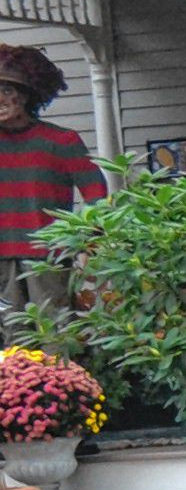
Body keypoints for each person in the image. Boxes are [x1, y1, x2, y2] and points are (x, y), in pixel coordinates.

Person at [0, 45, 107, 310]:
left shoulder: (61, 141)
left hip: (48, 259)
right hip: (1, 261)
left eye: (7, 91)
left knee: (55, 336)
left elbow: (96, 194)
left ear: (25, 96)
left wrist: (84, 242)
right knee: (8, 343)